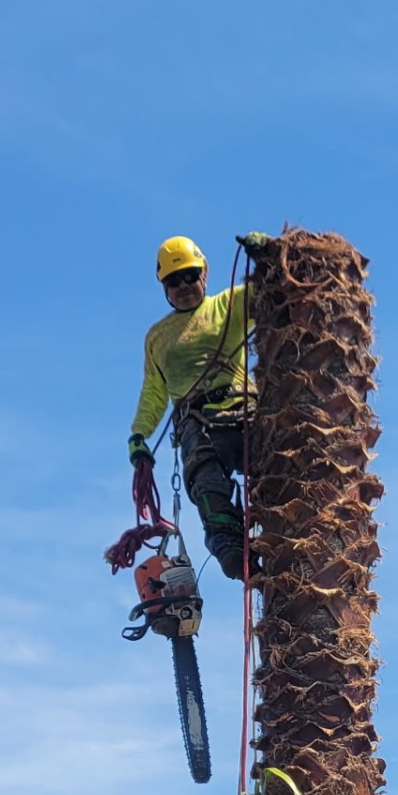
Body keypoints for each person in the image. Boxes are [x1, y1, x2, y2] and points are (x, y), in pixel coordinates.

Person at [128, 233, 270, 580]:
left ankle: (285, 532)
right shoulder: (157, 337)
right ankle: (229, 547)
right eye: (174, 280)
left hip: (243, 412)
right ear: (163, 286)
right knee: (205, 480)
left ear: (204, 273)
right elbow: (154, 391)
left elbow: (271, 293)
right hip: (198, 423)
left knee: (276, 471)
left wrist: (267, 257)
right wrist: (139, 435)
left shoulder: (227, 306)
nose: (184, 286)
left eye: (190, 275)